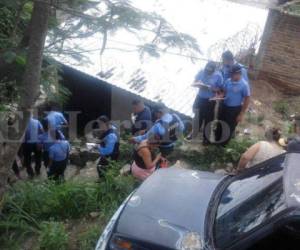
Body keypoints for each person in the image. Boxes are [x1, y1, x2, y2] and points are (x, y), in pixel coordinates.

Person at [191, 61, 223, 145]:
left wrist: (211, 88)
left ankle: (206, 138)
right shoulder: (201, 71)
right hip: (200, 97)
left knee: (208, 119)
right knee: (197, 116)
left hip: (210, 100)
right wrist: (198, 84)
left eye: (210, 71)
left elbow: (220, 90)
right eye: (207, 70)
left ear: (213, 70)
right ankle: (194, 133)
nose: (208, 72)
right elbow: (194, 82)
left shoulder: (218, 75)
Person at [220, 64, 251, 144]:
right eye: (231, 74)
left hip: (234, 109)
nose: (231, 76)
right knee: (221, 124)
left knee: (229, 127)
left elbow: (247, 99)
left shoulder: (244, 85)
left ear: (238, 74)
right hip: (224, 106)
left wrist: (241, 113)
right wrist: (220, 96)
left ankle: (223, 145)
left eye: (232, 74)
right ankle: (217, 140)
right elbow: (224, 91)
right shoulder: (228, 81)